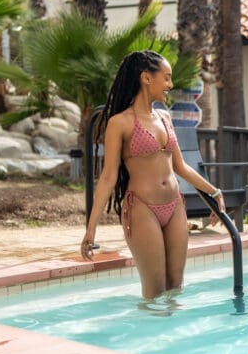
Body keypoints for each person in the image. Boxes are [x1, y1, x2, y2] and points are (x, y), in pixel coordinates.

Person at [81, 50, 225, 299]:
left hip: (175, 206)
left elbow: (180, 167)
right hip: (142, 209)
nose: (170, 85)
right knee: (155, 290)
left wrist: (213, 192)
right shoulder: (120, 123)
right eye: (166, 78)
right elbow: (107, 177)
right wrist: (91, 229)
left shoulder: (165, 118)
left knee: (176, 287)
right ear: (146, 78)